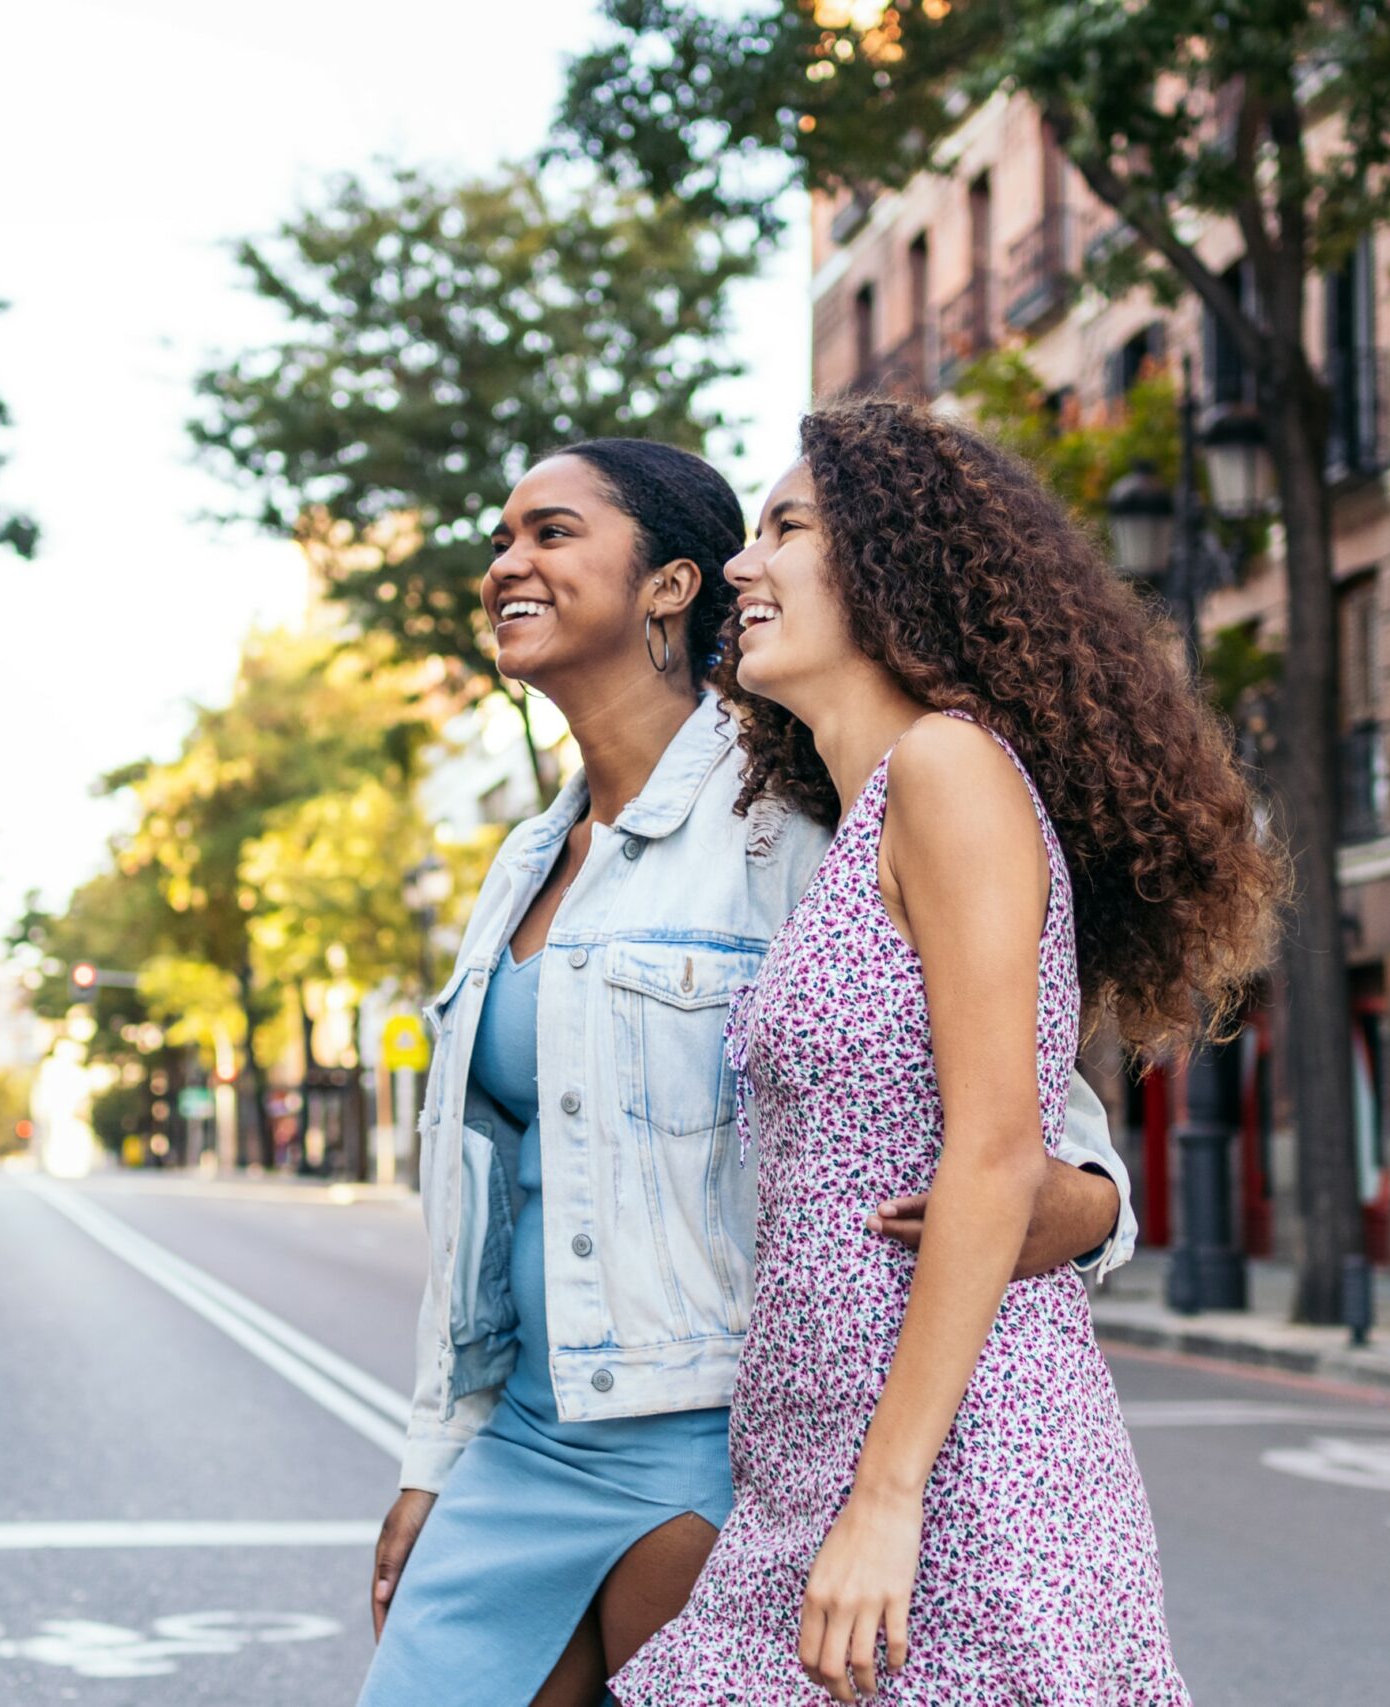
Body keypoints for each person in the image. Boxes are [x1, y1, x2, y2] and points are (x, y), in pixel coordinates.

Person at [363, 439, 1137, 1707]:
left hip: (725, 1435)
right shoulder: (522, 863)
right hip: (529, 1438)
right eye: (501, 538)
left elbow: (1030, 1119)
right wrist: (434, 1451)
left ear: (668, 588)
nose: (506, 562)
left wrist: (1078, 1200)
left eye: (550, 534)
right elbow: (488, 1194)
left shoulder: (808, 814)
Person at [613, 402, 1283, 1704]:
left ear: (894, 565)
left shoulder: (950, 768)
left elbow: (998, 1149)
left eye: (788, 529)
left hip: (957, 1463)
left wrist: (886, 1499)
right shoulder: (862, 817)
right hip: (821, 1456)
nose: (744, 568)